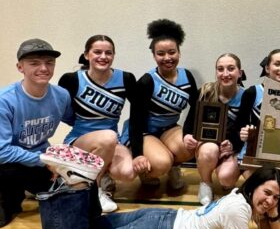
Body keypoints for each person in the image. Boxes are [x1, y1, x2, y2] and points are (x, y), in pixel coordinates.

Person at [37, 146, 280, 229]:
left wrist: (272, 211)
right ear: (254, 186)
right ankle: (78, 183)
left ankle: (86, 183)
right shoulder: (239, 211)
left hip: (164, 220)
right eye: (267, 193)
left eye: (276, 198)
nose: (270, 201)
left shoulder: (239, 196)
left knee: (91, 228)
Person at [58, 35, 136, 213]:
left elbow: (138, 115)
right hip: (79, 139)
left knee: (127, 173)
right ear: (86, 55)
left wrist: (127, 139)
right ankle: (96, 190)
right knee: (108, 137)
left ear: (114, 55)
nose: (103, 56)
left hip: (111, 140)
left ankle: (97, 174)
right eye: (97, 52)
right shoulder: (72, 79)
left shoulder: (125, 79)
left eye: (108, 53)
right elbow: (61, 112)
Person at [0, 39, 73, 227]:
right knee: (4, 216)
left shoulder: (61, 95)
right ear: (20, 67)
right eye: (34, 63)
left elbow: (77, 123)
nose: (43, 68)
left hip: (40, 161)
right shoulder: (5, 101)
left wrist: (66, 156)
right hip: (8, 165)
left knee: (69, 203)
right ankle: (11, 198)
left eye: (49, 62)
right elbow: (2, 151)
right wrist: (46, 161)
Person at [126, 19, 197, 189]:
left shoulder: (186, 76)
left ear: (179, 53)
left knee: (193, 145)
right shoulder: (147, 81)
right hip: (145, 132)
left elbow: (196, 108)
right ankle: (147, 171)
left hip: (169, 128)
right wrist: (137, 154)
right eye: (161, 53)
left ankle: (174, 167)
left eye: (172, 52)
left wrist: (188, 133)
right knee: (161, 163)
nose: (167, 58)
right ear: (154, 56)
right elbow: (135, 121)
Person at [235, 49, 280, 224]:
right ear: (268, 68)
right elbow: (239, 124)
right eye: (277, 64)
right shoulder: (253, 92)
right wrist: (243, 132)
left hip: (279, 158)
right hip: (253, 158)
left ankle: (260, 198)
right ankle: (249, 199)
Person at [182, 53, 246, 205]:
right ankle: (205, 183)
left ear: (240, 73)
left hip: (232, 147)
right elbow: (190, 121)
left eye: (231, 69)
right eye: (220, 69)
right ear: (216, 72)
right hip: (208, 143)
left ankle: (222, 170)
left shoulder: (247, 96)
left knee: (227, 180)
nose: (225, 74)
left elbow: (246, 128)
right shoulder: (205, 92)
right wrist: (186, 136)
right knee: (209, 150)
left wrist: (233, 145)